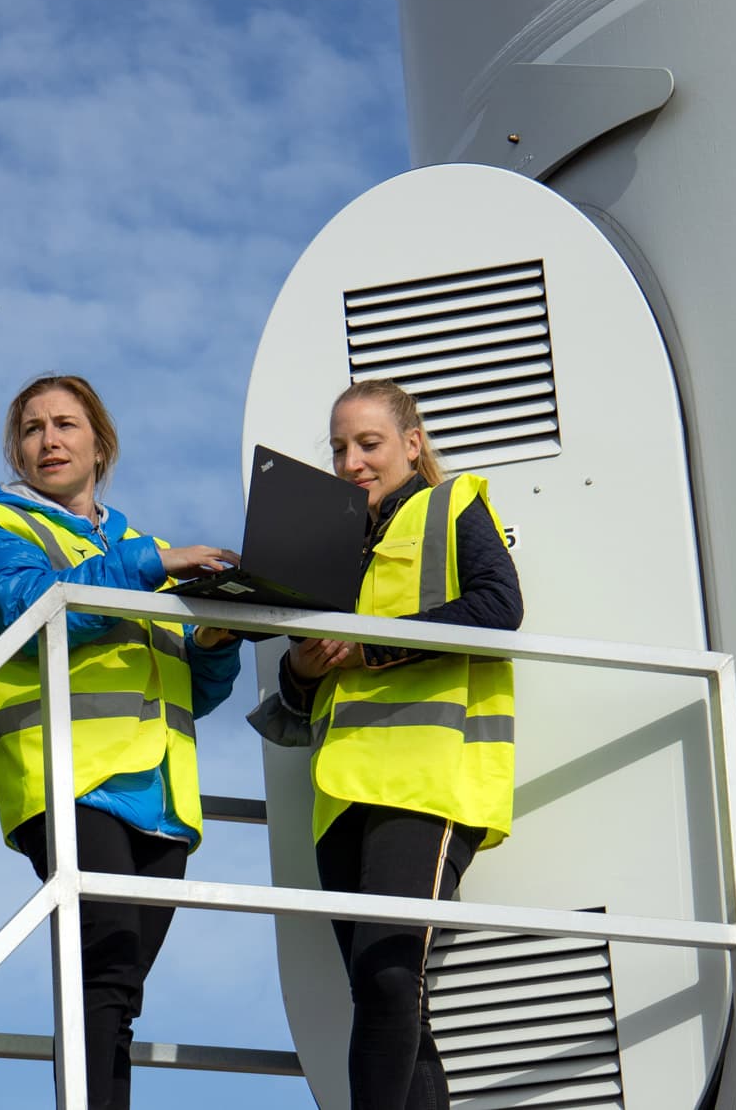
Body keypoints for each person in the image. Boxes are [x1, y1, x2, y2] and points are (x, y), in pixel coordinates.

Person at [0, 374, 243, 1109]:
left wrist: (214, 640)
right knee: (102, 973)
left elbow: (197, 689)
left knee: (118, 990)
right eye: (32, 428)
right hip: (69, 782)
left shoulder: (144, 546)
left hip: (160, 802)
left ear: (100, 444)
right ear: (15, 451)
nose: (49, 439)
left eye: (66, 425)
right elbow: (26, 609)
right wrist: (153, 568)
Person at [270, 378, 523, 1110]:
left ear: (412, 445)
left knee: (388, 980)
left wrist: (368, 646)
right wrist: (299, 668)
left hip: (428, 780)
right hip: (341, 794)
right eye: (340, 446)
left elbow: (499, 606)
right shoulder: (324, 543)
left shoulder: (453, 504)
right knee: (389, 994)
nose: (351, 460)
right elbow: (300, 691)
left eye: (369, 443)